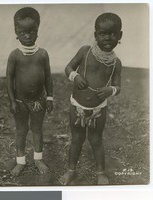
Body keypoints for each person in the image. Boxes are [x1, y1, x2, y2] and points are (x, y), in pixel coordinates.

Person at [59, 13, 123, 185]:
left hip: (98, 109)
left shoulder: (116, 63)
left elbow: (118, 87)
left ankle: (101, 172)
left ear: (120, 35)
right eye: (103, 33)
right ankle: (71, 171)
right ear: (95, 35)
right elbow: (68, 67)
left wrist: (111, 90)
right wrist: (75, 76)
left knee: (96, 140)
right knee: (77, 139)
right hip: (77, 107)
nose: (108, 37)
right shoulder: (85, 52)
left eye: (113, 33)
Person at [6, 7, 53, 176]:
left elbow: (48, 77)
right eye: (23, 32)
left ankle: (38, 159)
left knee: (37, 129)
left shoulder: (42, 54)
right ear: (16, 32)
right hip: (20, 101)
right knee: (21, 130)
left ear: (38, 31)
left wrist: (50, 98)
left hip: (38, 100)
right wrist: (12, 101)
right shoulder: (15, 56)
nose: (27, 35)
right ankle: (20, 161)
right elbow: (9, 80)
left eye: (32, 31)